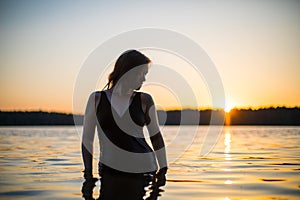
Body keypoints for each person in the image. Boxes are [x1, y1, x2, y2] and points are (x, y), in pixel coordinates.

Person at [81, 50, 168, 198]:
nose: (144, 79)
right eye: (142, 73)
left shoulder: (145, 100)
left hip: (144, 169)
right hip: (110, 170)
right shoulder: (96, 99)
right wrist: (88, 175)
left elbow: (156, 137)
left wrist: (163, 170)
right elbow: (87, 140)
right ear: (129, 72)